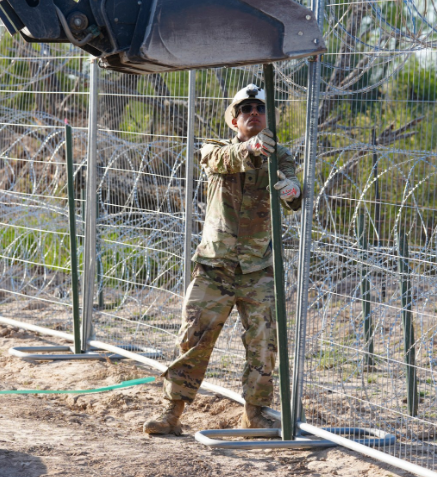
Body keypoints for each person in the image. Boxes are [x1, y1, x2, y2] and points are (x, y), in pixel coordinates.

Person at [143, 84, 302, 436]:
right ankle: (172, 412)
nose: (254, 113)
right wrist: (252, 148)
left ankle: (255, 414)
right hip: (215, 267)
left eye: (261, 108)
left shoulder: (282, 155)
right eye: (246, 109)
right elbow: (223, 162)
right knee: (193, 339)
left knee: (263, 343)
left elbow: (292, 193)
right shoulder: (216, 150)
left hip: (257, 269)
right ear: (234, 120)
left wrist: (293, 192)